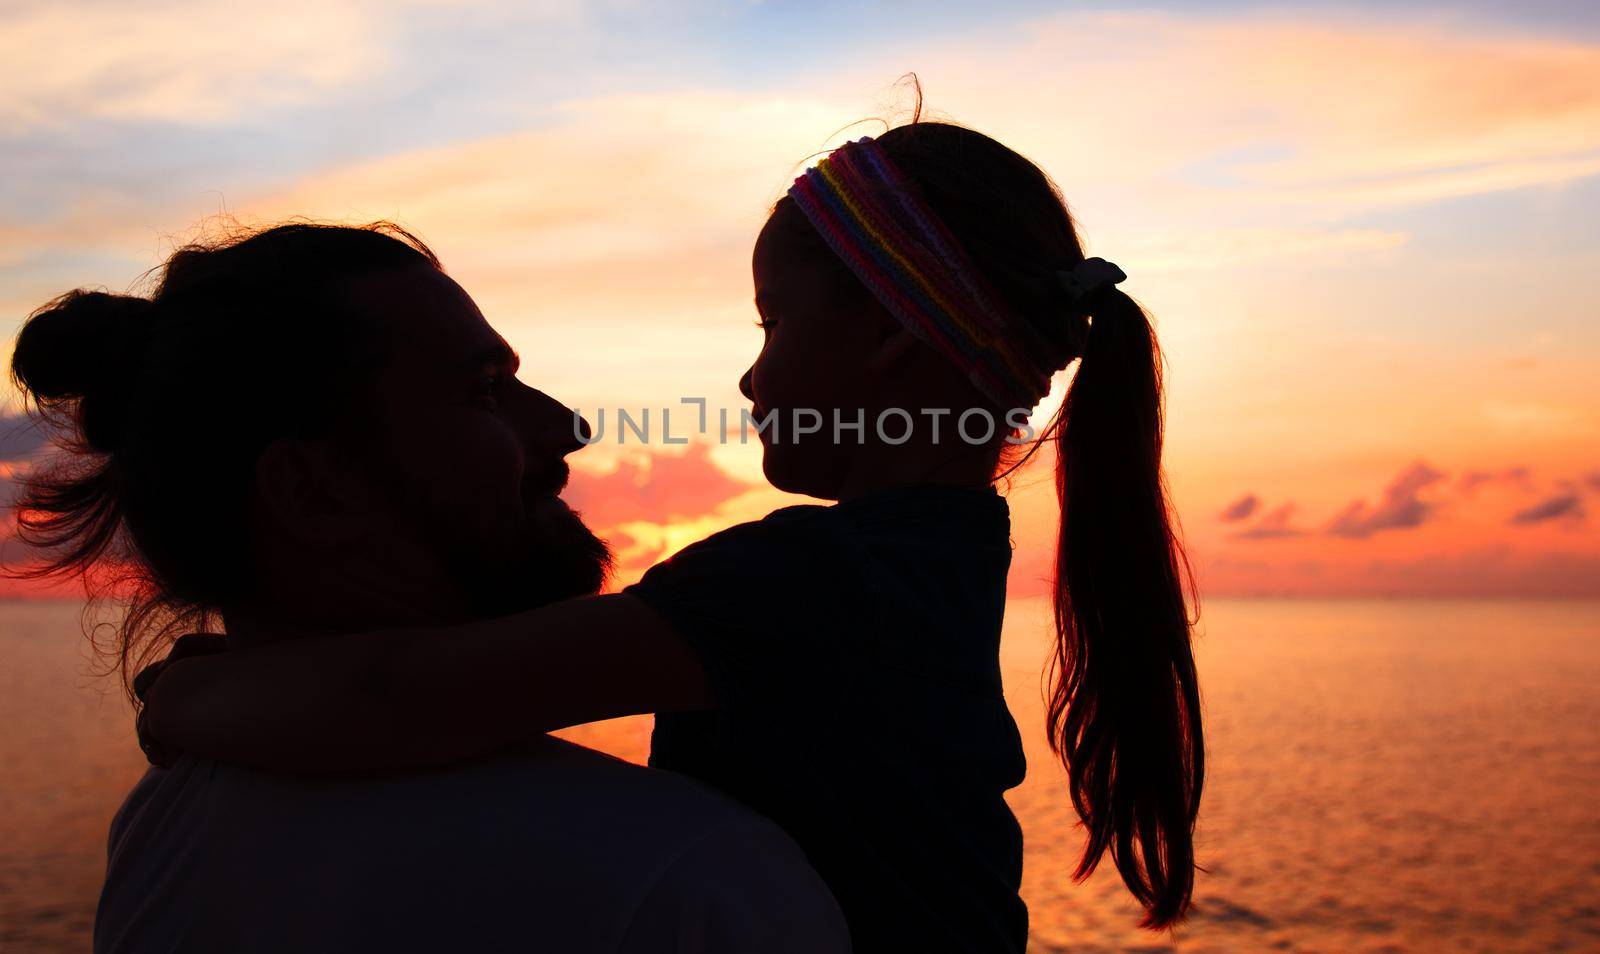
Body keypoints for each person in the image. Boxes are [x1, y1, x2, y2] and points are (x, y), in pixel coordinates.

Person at [138, 119, 1207, 952]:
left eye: (773, 323)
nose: (751, 373)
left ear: (886, 340)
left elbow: (411, 697)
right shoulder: (922, 568)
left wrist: (193, 697)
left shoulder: (809, 585)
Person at [7, 222, 849, 954]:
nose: (569, 427)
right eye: (484, 391)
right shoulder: (690, 880)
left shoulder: (158, 828)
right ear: (311, 489)